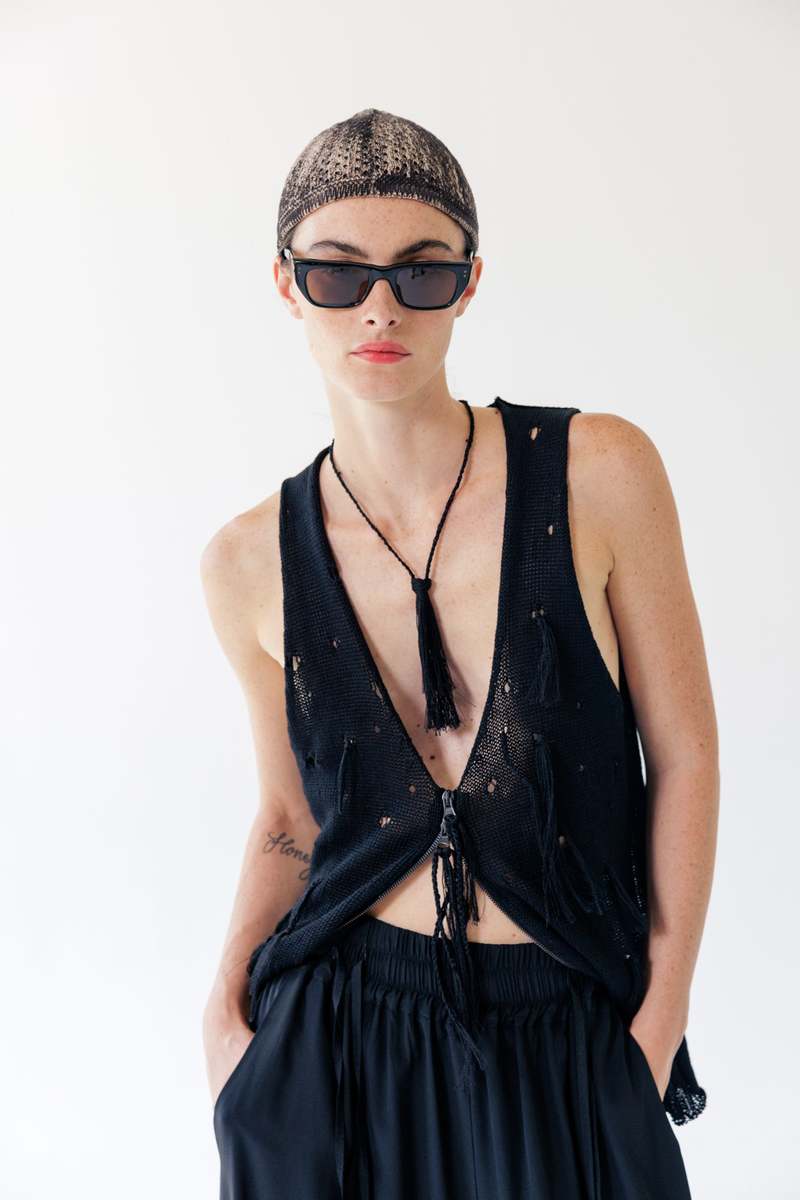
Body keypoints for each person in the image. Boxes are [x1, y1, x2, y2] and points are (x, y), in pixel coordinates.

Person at [201, 108, 716, 1199]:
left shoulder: (596, 473)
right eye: (337, 273)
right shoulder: (247, 561)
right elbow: (289, 814)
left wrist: (660, 1016)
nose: (379, 306)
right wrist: (223, 1013)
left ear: (469, 283)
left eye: (421, 271)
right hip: (333, 1038)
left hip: (568, 1021)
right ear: (287, 285)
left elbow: (684, 756)